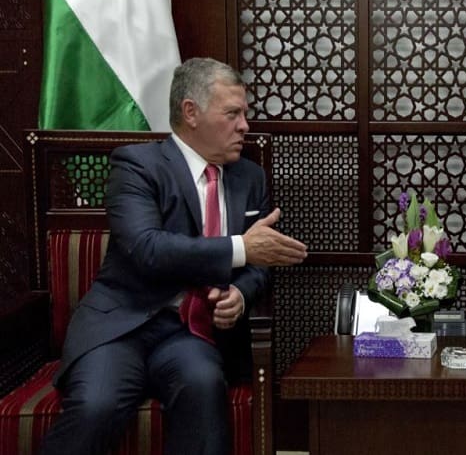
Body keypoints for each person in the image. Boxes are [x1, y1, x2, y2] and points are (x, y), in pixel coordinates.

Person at [40, 57, 308, 455]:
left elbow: (257, 266)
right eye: (232, 114)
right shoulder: (137, 165)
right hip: (121, 328)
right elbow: (147, 248)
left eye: (244, 114)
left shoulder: (250, 178)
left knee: (203, 388)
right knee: (97, 405)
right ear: (190, 113)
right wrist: (240, 248)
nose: (245, 126)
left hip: (190, 333)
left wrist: (240, 294)